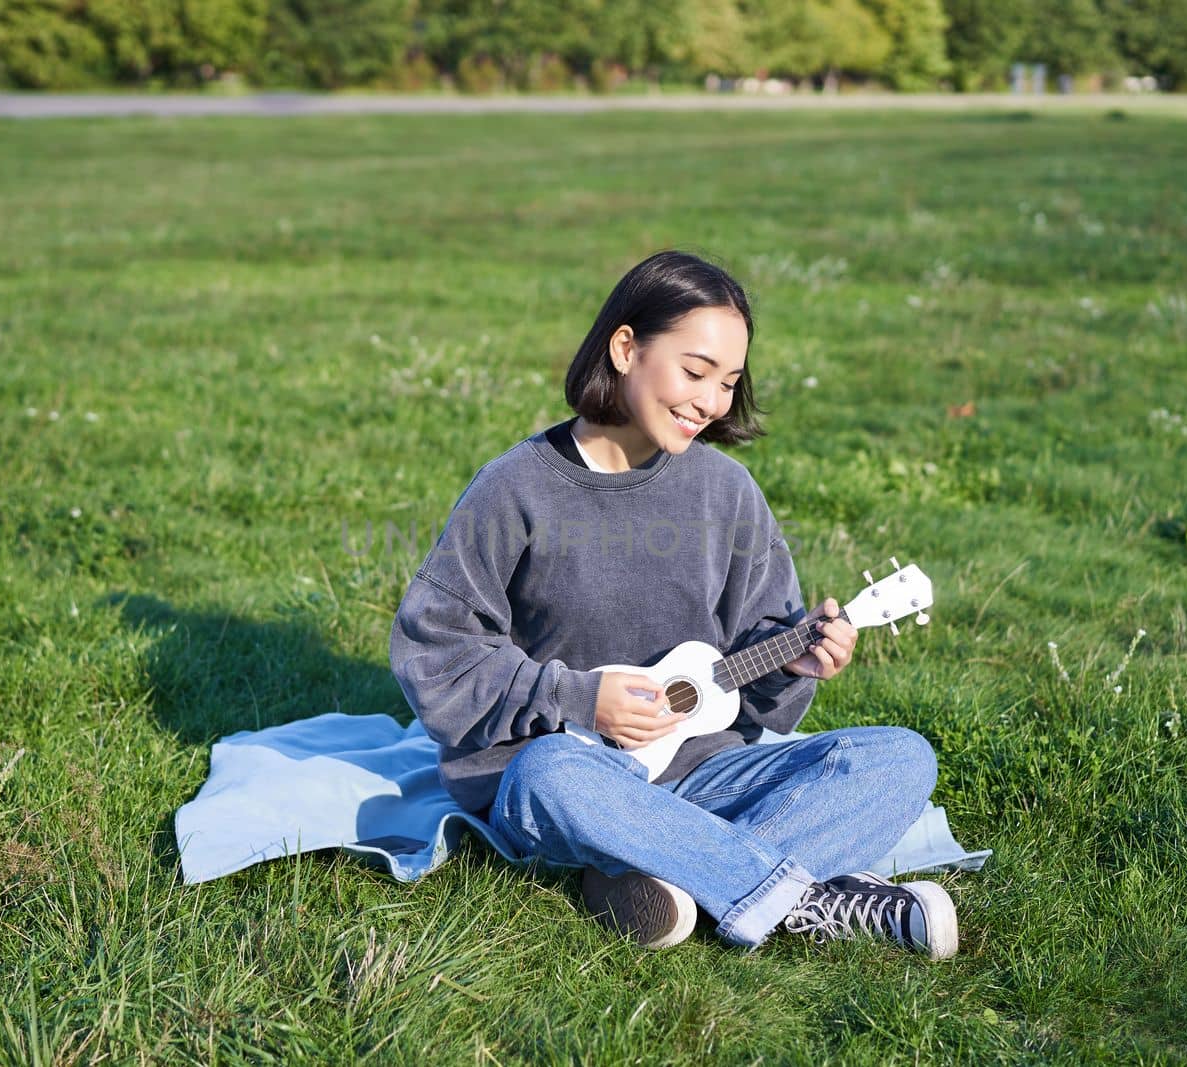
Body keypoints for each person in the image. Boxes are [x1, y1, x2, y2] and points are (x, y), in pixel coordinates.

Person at [388, 250, 956, 958]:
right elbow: (433, 647)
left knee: (901, 758)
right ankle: (808, 898)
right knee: (550, 774)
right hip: (567, 776)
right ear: (626, 348)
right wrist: (576, 696)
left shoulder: (727, 493)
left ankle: (662, 872)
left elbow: (754, 704)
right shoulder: (515, 488)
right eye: (694, 372)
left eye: (728, 382)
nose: (711, 402)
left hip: (700, 774)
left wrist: (796, 663)